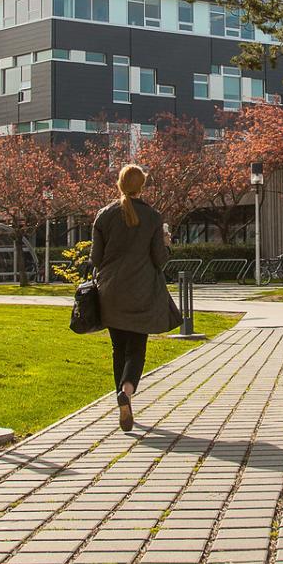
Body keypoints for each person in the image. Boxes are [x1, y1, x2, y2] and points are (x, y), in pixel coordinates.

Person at [90, 163, 182, 432]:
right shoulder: (153, 218)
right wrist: (166, 244)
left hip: (111, 293)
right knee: (137, 348)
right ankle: (127, 391)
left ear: (119, 184)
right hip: (142, 293)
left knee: (118, 348)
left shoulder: (103, 216)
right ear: (142, 186)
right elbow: (159, 260)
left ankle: (122, 398)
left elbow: (95, 258)